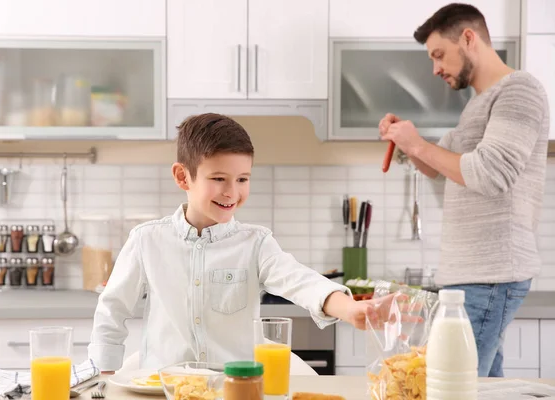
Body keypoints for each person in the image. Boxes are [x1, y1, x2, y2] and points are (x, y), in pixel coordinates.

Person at [89, 113, 400, 373]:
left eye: (242, 179)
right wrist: (103, 378)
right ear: (183, 177)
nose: (232, 192)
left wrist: (351, 310)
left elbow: (300, 281)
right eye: (219, 179)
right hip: (165, 390)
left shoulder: (256, 243)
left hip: (238, 389)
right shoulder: (147, 240)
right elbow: (111, 311)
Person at [379, 3, 550, 378]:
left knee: (453, 384)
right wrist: (409, 143)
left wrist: (419, 146)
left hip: (491, 274)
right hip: (475, 276)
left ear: (468, 38)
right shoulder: (477, 105)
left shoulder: (520, 91)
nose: (435, 68)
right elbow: (444, 168)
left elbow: (491, 173)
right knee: (481, 387)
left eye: (439, 54)